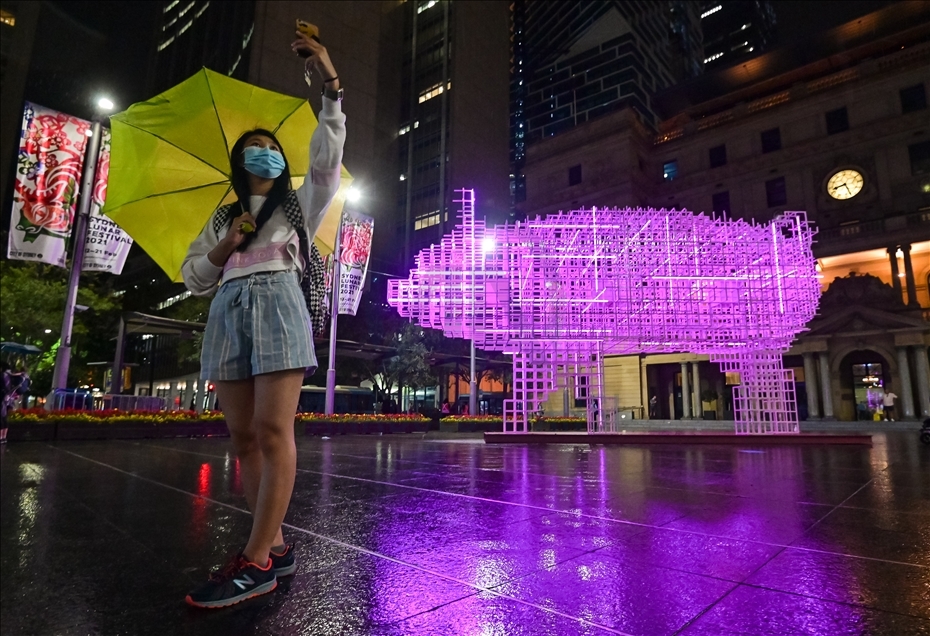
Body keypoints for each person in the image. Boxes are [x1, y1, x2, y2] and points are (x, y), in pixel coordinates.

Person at [180, 28, 345, 609]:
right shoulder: (223, 215)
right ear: (239, 161)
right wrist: (226, 245)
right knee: (243, 437)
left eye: (272, 146)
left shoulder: (300, 204)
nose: (267, 152)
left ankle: (253, 564)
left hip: (278, 301)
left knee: (275, 432)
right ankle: (272, 545)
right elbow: (193, 275)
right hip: (227, 307)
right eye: (255, 147)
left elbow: (327, 157)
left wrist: (328, 82)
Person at [1, 361, 12, 444]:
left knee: (1, 417)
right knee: (4, 417)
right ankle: (4, 438)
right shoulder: (8, 376)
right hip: (7, 399)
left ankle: (1, 438)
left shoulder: (1, 375)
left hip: (1, 398)